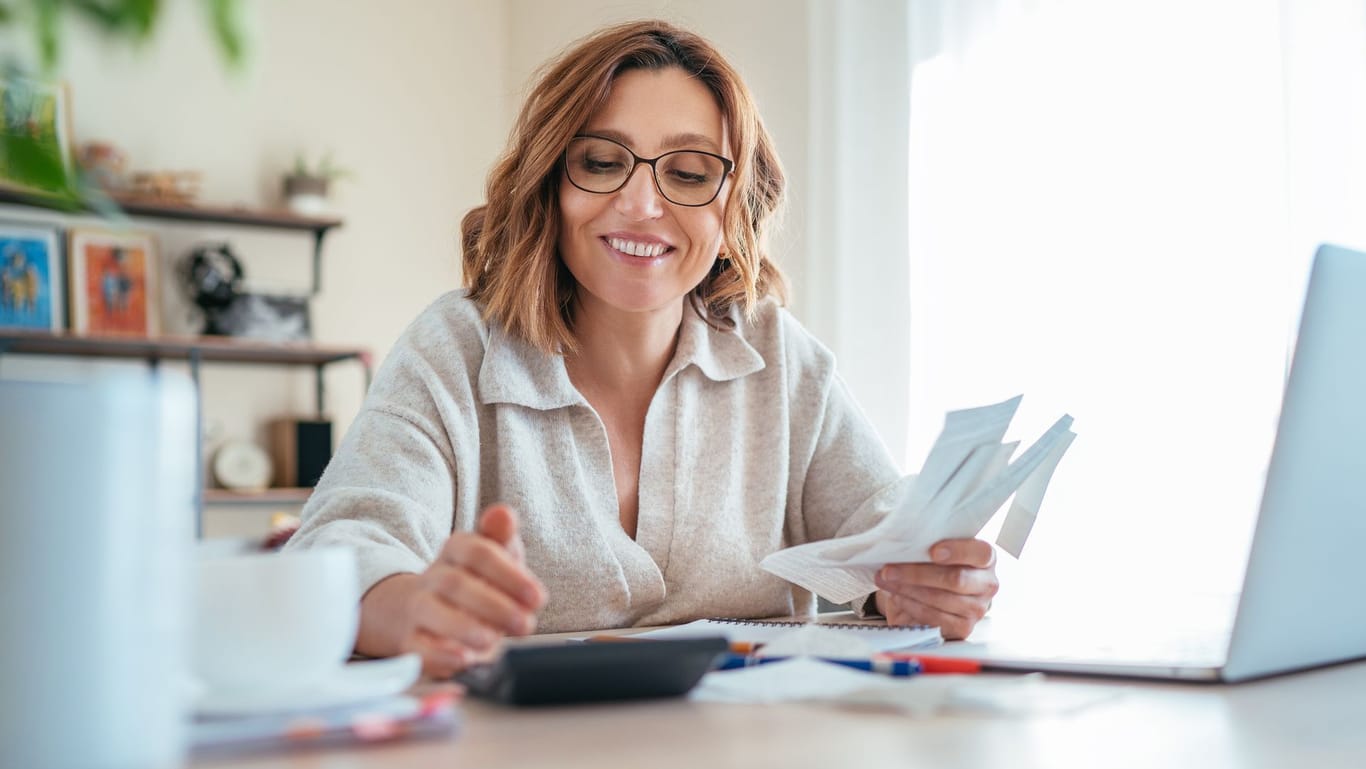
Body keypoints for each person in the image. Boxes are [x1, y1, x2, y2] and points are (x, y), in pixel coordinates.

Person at [286, 20, 998, 678]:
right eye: (601, 162)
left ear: (733, 208)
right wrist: (414, 607)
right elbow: (338, 552)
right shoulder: (455, 349)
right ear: (551, 183)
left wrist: (927, 589)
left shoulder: (781, 357)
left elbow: (884, 537)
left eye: (687, 174)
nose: (641, 204)